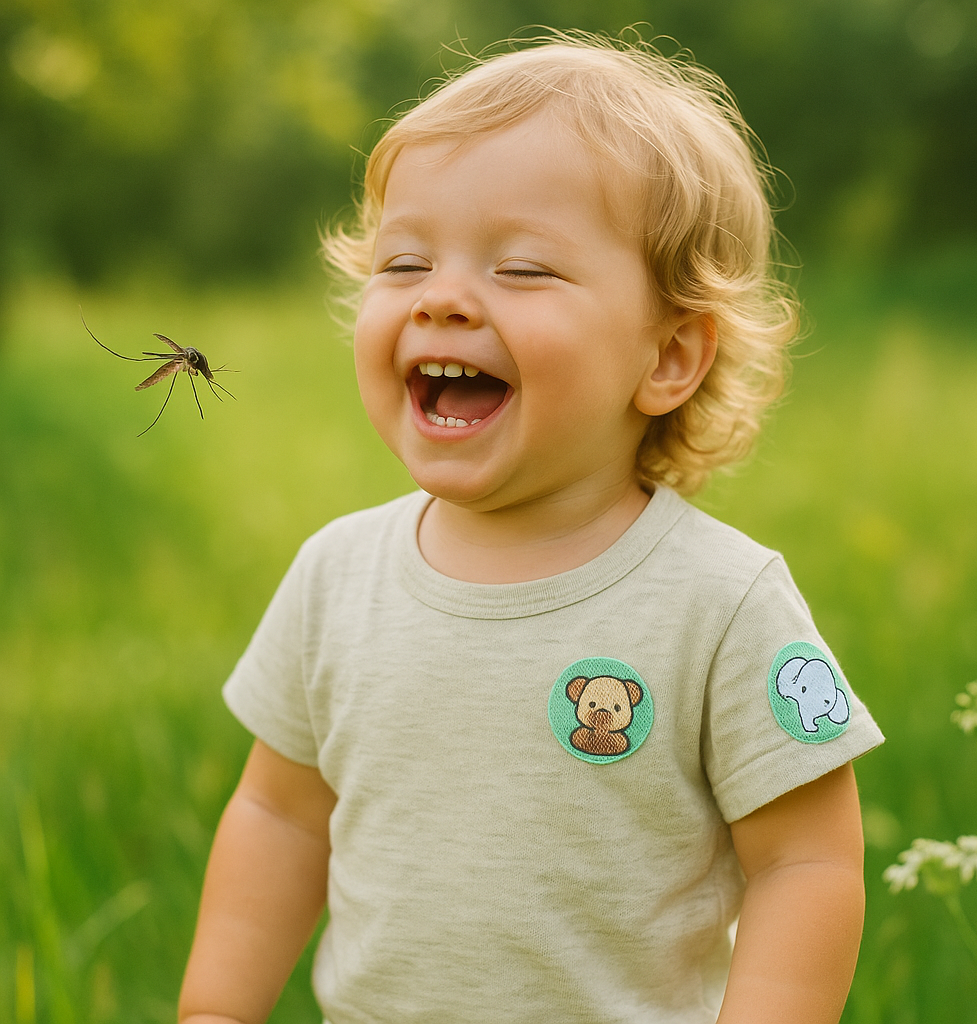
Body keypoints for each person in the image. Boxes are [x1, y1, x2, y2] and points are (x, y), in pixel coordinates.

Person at [178, 31, 884, 1024]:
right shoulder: (338, 574)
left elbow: (805, 863)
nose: (442, 299)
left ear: (669, 355)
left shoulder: (718, 601)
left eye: (521, 268)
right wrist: (216, 1006)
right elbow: (282, 814)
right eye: (405, 260)